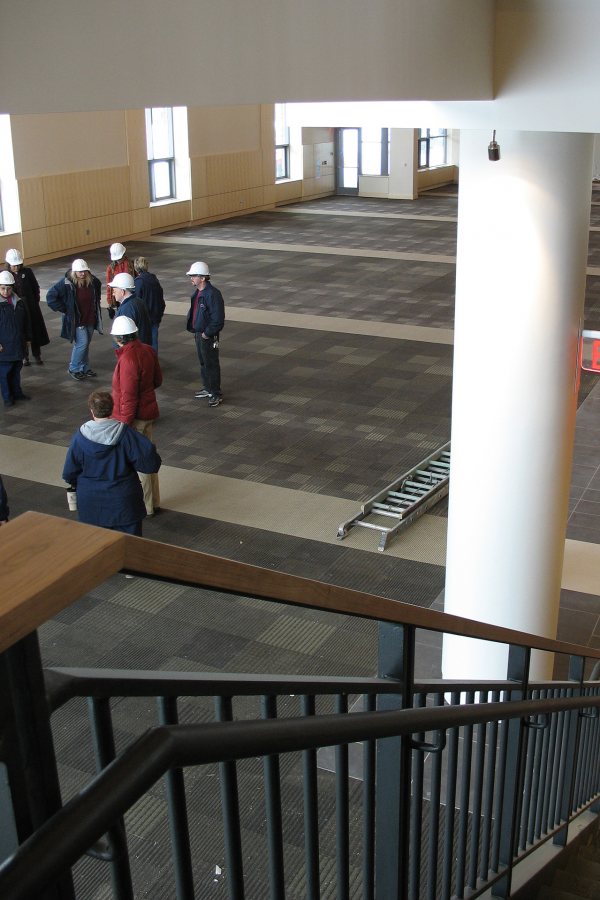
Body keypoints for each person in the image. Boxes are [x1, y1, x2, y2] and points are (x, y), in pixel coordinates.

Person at [63, 390, 161, 536]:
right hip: (124, 502)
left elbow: (69, 473)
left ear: (91, 411)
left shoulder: (79, 438)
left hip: (91, 504)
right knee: (128, 548)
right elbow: (150, 464)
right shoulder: (126, 434)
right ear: (112, 408)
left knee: (96, 549)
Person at [111, 316, 162, 516]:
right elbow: (157, 380)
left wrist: (124, 424)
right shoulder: (148, 350)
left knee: (139, 462)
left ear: (118, 338)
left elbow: (129, 396)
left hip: (135, 417)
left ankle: (145, 506)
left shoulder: (128, 359)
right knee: (148, 456)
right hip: (148, 412)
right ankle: (153, 502)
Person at [46, 259, 103, 380]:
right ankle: (74, 368)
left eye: (84, 271)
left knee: (86, 344)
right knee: (82, 343)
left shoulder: (93, 282)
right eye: (79, 272)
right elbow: (51, 296)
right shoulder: (66, 283)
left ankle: (85, 367)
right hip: (77, 320)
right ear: (74, 272)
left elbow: (97, 295)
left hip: (90, 318)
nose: (82, 274)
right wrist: (65, 309)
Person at [186, 261, 225, 407]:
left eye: (193, 276)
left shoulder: (212, 295)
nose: (191, 278)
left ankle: (215, 393)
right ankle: (208, 388)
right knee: (203, 363)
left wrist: (206, 334)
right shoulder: (199, 293)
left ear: (202, 278)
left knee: (211, 364)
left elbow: (218, 320)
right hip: (199, 333)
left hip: (207, 336)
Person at [4, 249, 50, 366]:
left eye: (18, 265)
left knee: (34, 329)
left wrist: (34, 301)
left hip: (30, 304)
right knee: (21, 330)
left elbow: (35, 287)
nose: (16, 268)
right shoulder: (4, 275)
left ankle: (37, 354)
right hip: (15, 307)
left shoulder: (28, 272)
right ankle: (24, 356)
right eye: (14, 265)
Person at [0, 270, 31, 406]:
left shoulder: (19, 302)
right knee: (5, 373)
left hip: (18, 343)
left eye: (8, 288)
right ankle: (7, 397)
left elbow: (26, 322)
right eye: (2, 288)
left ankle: (17, 393)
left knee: (16, 370)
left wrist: (28, 338)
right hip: (4, 346)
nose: (6, 291)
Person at [109, 272, 153, 346]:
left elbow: (125, 338)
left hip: (133, 351)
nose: (113, 294)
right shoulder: (138, 301)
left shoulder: (127, 309)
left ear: (122, 291)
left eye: (114, 291)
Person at [133, 257, 165, 354]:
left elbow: (137, 299)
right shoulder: (154, 279)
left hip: (145, 316)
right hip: (156, 314)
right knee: (154, 340)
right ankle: (154, 361)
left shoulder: (139, 281)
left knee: (142, 341)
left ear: (136, 268)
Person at [106, 243, 135, 316]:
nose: (118, 260)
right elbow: (109, 285)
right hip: (118, 298)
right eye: (116, 259)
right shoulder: (110, 268)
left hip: (130, 295)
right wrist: (110, 303)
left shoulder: (132, 265)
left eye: (119, 258)